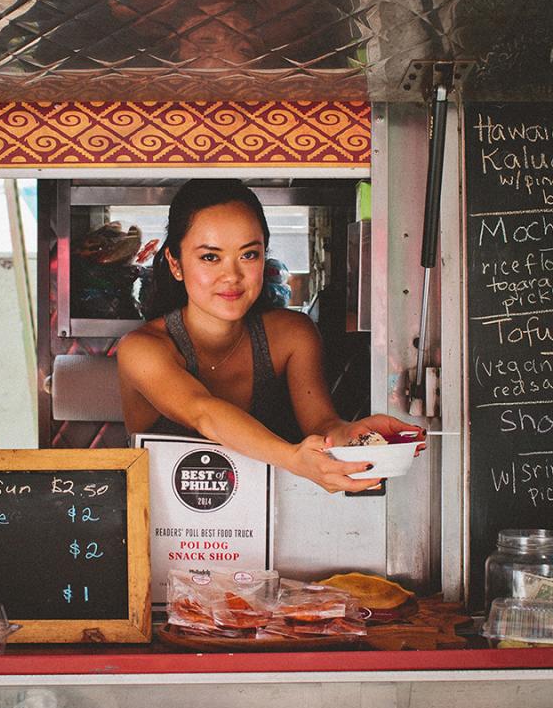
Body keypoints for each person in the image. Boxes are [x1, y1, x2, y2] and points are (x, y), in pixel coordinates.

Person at [117, 179, 423, 493]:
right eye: (210, 257)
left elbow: (322, 427)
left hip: (275, 523)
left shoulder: (292, 335)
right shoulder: (142, 349)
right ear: (175, 263)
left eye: (248, 255)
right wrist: (292, 457)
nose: (232, 276)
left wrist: (355, 437)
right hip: (160, 530)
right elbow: (202, 412)